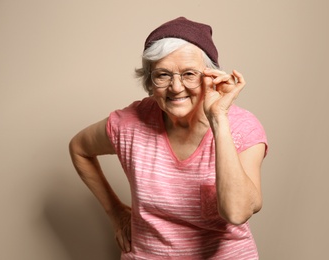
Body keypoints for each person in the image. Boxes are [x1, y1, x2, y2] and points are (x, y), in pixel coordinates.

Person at [69, 17, 268, 260]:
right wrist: (116, 213)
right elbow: (79, 148)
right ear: (150, 81)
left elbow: (237, 213)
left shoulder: (242, 127)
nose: (176, 87)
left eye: (189, 74)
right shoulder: (129, 124)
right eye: (163, 75)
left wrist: (219, 119)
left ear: (211, 76)